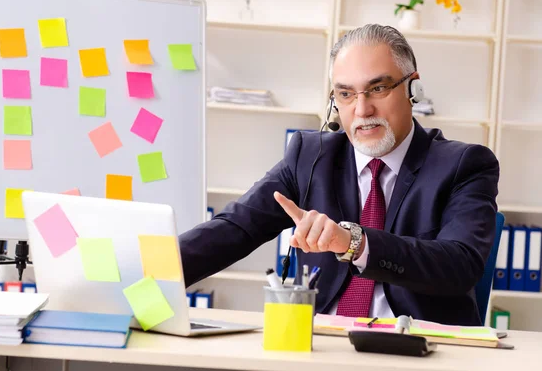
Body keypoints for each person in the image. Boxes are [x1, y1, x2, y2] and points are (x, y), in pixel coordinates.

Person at [179, 24, 499, 326]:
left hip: (420, 348)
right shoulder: (311, 155)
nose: (362, 110)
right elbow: (234, 229)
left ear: (412, 87)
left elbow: (461, 264)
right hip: (322, 346)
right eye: (346, 94)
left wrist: (354, 243)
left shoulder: (464, 165)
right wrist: (149, 270)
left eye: (378, 88)